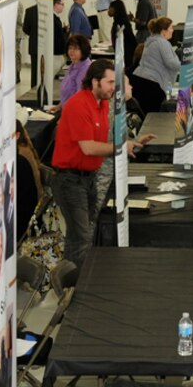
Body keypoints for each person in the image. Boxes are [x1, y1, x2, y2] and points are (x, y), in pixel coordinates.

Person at [51, 62, 146, 276]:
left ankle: (70, 281)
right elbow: (89, 147)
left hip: (88, 178)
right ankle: (79, 286)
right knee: (82, 237)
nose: (114, 87)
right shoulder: (78, 105)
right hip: (70, 180)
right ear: (95, 82)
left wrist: (132, 143)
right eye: (110, 82)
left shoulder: (103, 104)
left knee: (80, 236)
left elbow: (107, 140)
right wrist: (121, 148)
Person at [131, 16, 180, 116]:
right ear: (163, 31)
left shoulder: (152, 41)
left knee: (145, 114)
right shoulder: (162, 43)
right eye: (171, 27)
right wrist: (186, 66)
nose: (173, 30)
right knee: (152, 115)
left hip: (143, 80)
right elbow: (171, 63)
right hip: (151, 83)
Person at [57, 34, 93, 111]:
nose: (72, 51)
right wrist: (60, 106)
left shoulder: (85, 68)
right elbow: (68, 91)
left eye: (76, 49)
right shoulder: (74, 64)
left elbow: (79, 96)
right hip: (67, 109)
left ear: (83, 50)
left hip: (75, 112)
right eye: (70, 48)